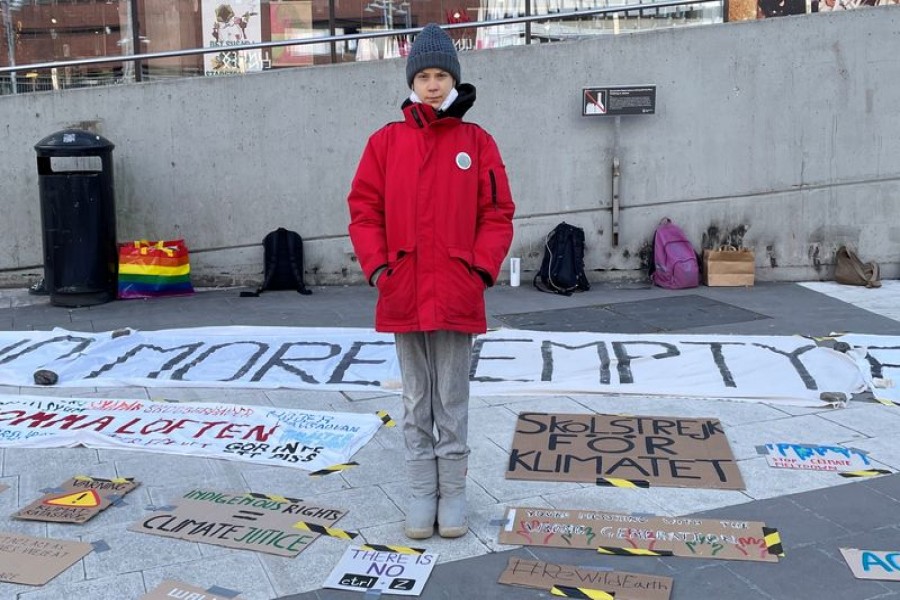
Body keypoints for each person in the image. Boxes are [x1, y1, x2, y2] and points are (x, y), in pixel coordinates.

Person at [346, 23, 515, 540]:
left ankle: (454, 495)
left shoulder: (475, 142)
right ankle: (422, 492)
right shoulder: (386, 142)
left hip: (456, 292)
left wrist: (480, 269)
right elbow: (363, 211)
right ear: (411, 81)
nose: (434, 84)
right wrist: (379, 269)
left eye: (442, 74)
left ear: (455, 79)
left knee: (452, 400)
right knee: (416, 400)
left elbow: (498, 212)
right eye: (425, 75)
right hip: (404, 291)